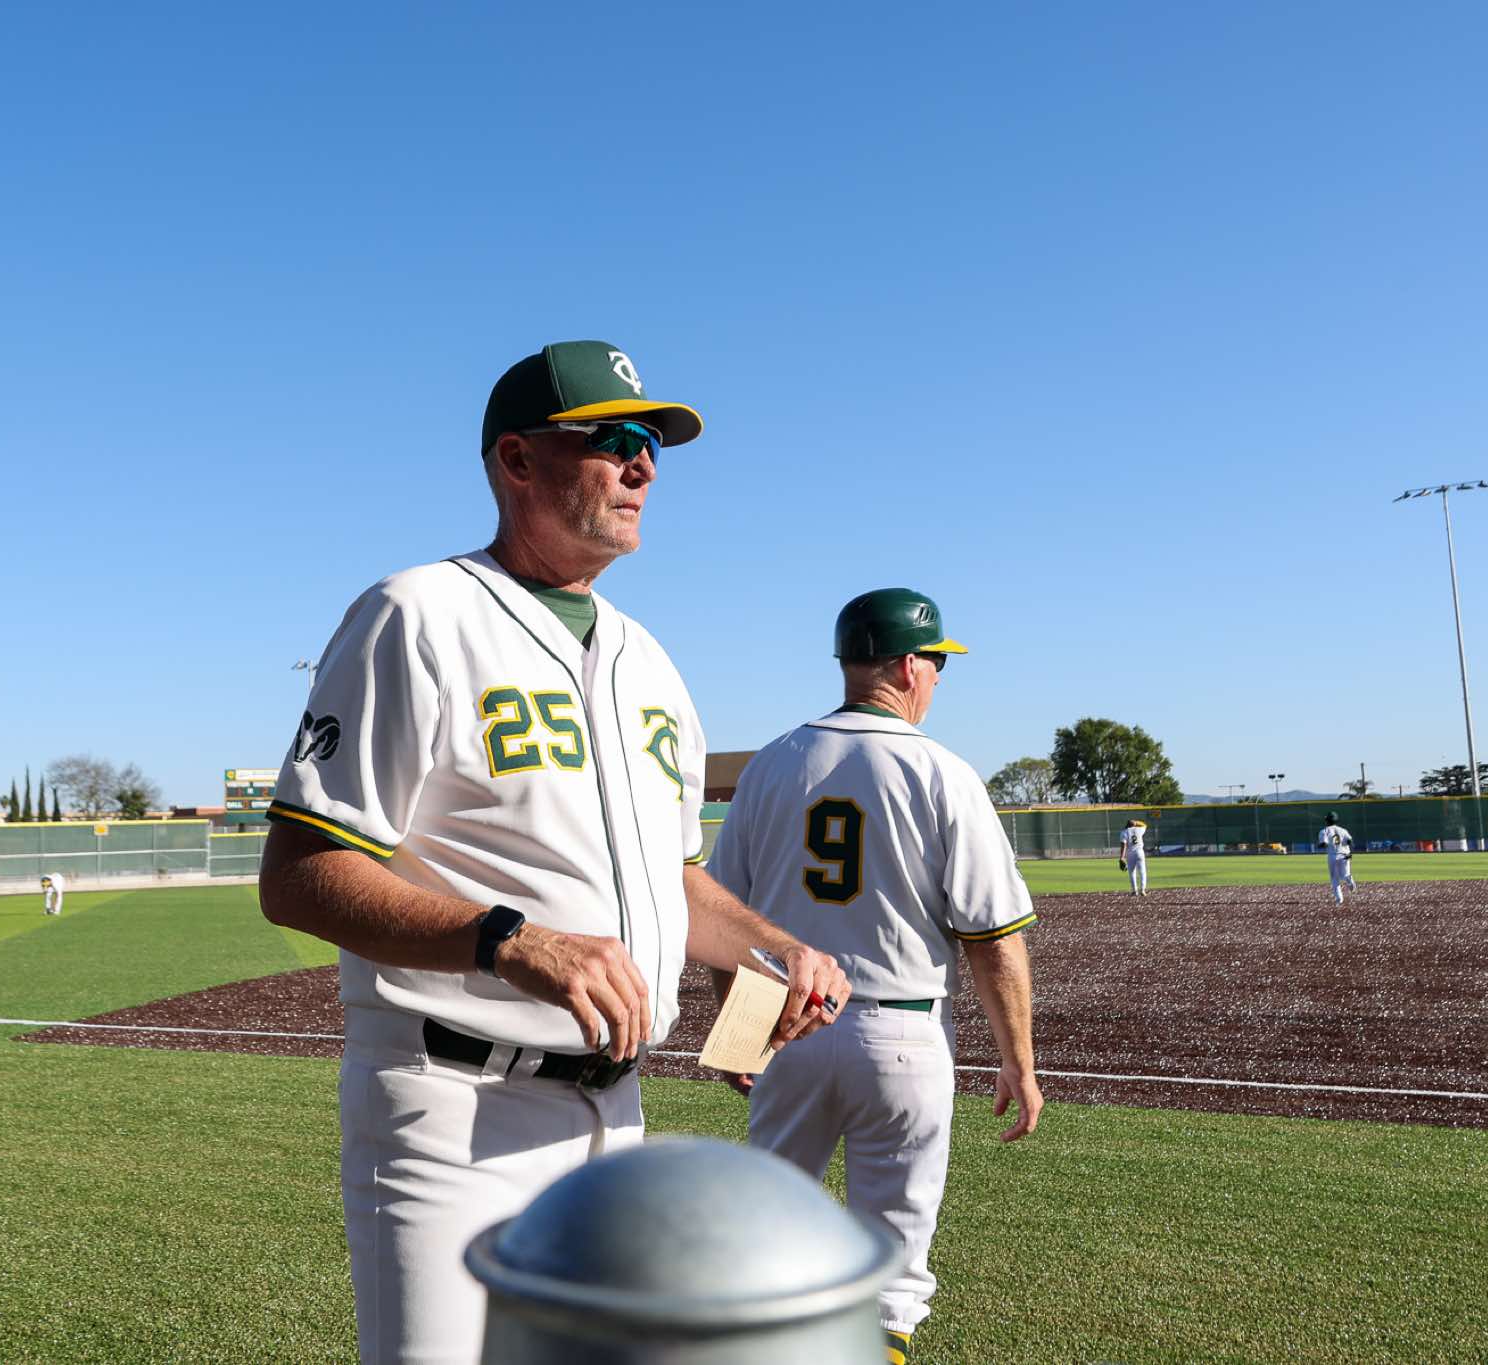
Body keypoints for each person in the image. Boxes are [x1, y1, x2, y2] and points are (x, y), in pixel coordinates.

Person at [257, 341, 851, 1365]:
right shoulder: (416, 613)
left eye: (651, 443)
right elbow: (300, 874)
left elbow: (673, 880)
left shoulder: (649, 659)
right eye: (612, 439)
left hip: (616, 1111)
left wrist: (771, 949)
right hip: (453, 1106)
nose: (644, 464)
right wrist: (511, 940)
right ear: (517, 459)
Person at [706, 587, 1042, 1365]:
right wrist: (1019, 1063)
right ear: (906, 666)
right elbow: (994, 942)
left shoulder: (772, 762)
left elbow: (721, 919)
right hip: (901, 1033)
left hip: (788, 1027)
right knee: (892, 1271)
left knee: (766, 1244)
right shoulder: (944, 771)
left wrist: (739, 1035)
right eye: (936, 662)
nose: (939, 677)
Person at [1320, 814, 1357, 905]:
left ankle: (1339, 899)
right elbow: (1350, 841)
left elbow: (1324, 844)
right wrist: (1350, 852)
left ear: (1327, 821)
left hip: (1333, 856)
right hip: (1345, 854)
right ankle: (1349, 880)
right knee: (1345, 874)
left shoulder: (1324, 831)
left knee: (1334, 878)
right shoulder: (1343, 830)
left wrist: (1320, 845)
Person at [1119, 817, 1149, 895]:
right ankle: (1142, 890)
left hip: (1130, 853)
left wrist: (1122, 857)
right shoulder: (1139, 829)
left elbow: (1123, 845)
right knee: (1142, 871)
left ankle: (1134, 890)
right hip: (1140, 852)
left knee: (1132, 872)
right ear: (1134, 825)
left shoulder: (1124, 832)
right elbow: (1144, 825)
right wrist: (1136, 822)